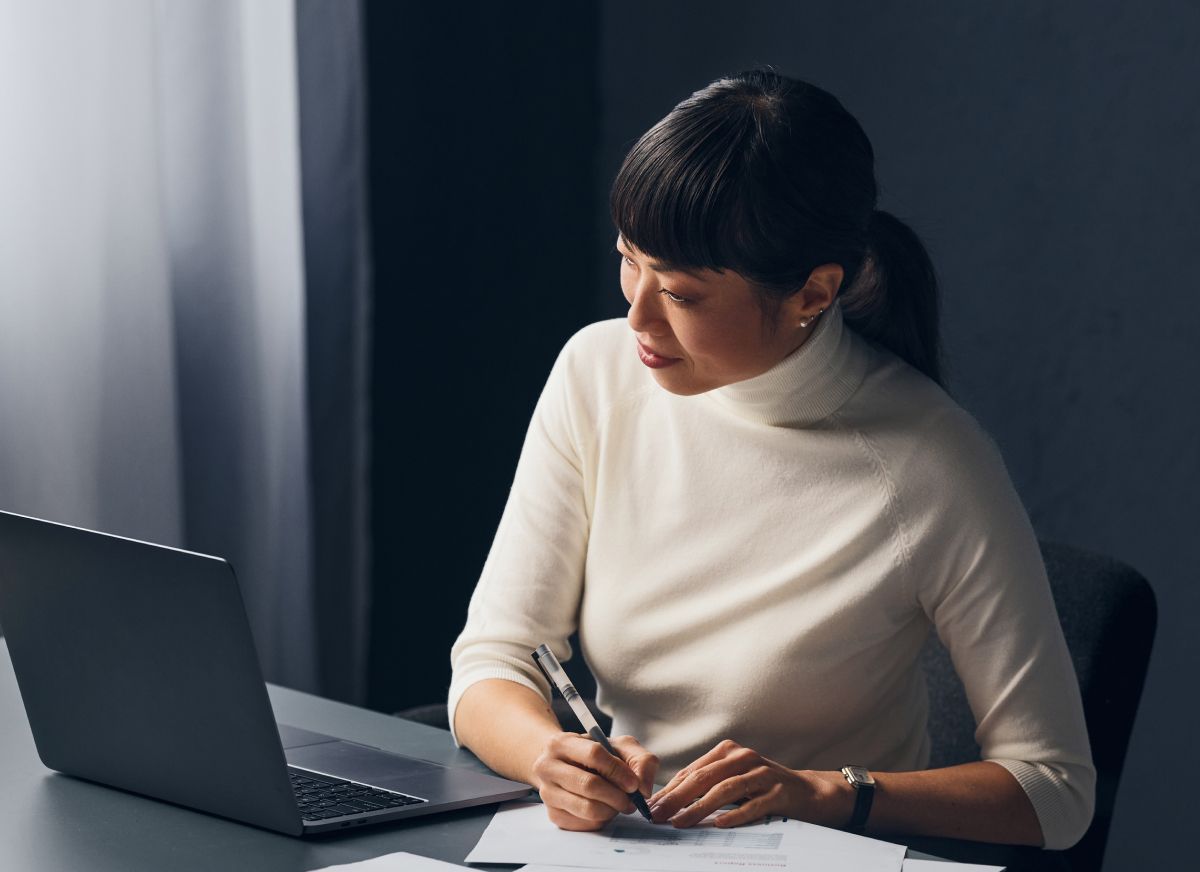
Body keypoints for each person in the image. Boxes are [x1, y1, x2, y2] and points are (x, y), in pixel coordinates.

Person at [448, 68, 1094, 851]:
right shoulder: (597, 372)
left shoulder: (931, 464)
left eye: (682, 294)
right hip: (622, 847)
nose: (637, 314)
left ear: (813, 294)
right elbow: (494, 658)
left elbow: (1054, 792)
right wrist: (549, 756)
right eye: (629, 261)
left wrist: (822, 794)